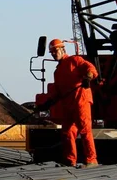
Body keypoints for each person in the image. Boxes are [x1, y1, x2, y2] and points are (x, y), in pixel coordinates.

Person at [39, 38, 98, 167]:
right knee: (67, 132)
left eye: (55, 51)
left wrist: (88, 77)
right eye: (52, 52)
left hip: (81, 101)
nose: (54, 54)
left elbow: (90, 68)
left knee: (85, 130)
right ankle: (70, 160)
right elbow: (58, 92)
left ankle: (91, 160)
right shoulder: (57, 72)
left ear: (62, 49)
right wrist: (48, 103)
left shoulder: (74, 61)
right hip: (69, 105)